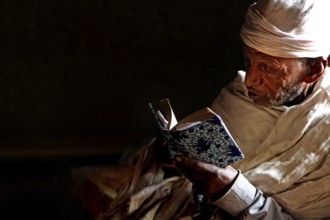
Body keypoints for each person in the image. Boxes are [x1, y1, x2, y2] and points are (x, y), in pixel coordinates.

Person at [97, 0, 330, 219]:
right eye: (249, 61)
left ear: (314, 70)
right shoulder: (241, 94)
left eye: (268, 68)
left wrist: (232, 192)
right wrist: (173, 158)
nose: (249, 80)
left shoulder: (325, 131)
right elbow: (188, 180)